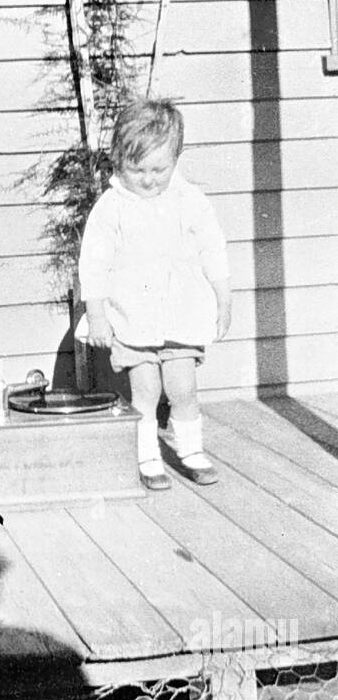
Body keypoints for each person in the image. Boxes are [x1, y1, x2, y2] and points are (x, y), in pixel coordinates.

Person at [77, 98, 231, 490]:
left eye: (159, 169)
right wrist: (96, 315)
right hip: (133, 318)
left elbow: (213, 248)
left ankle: (190, 449)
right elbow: (93, 265)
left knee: (183, 387)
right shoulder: (111, 207)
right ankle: (147, 457)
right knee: (145, 390)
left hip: (181, 313)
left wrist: (223, 297)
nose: (148, 179)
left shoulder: (189, 199)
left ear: (175, 159)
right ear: (118, 162)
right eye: (137, 169)